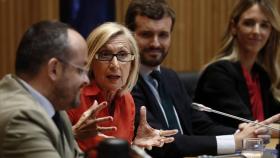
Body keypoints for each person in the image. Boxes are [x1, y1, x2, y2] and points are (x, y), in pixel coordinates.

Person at [125, 0, 270, 157]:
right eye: (146, 34)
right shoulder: (126, 83)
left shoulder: (169, 77)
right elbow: (162, 142)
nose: (156, 43)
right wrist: (235, 141)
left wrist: (246, 133)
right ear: (129, 35)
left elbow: (201, 125)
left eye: (163, 35)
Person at [0, 21, 113, 158]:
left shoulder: (56, 110)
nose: (86, 80)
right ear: (54, 69)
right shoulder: (20, 118)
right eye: (80, 70)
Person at [67, 22, 178, 158]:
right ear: (91, 61)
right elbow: (48, 145)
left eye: (122, 55)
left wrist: (135, 147)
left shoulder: (127, 100)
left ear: (132, 63)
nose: (115, 64)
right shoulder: (72, 95)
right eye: (105, 54)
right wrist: (73, 134)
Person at [194, 0, 280, 129]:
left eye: (264, 25)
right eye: (249, 23)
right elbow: (248, 126)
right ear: (234, 27)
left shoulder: (261, 75)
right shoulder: (218, 73)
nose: (257, 31)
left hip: (260, 148)